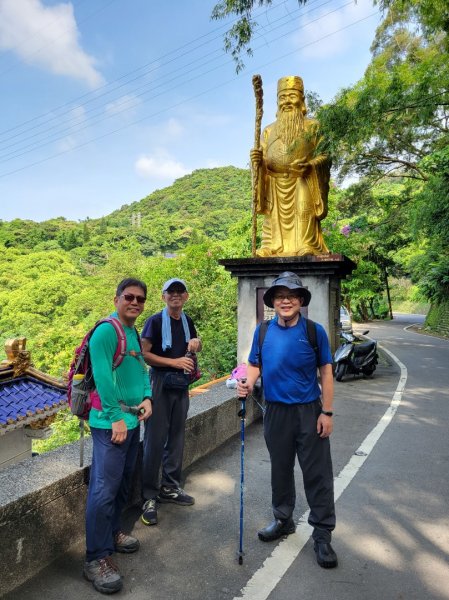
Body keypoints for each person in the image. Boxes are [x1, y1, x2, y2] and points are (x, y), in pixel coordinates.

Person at [237, 271, 338, 569]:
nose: (286, 300)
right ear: (273, 302)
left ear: (300, 301)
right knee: (280, 470)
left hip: (309, 411)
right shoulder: (264, 331)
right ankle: (283, 519)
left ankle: (322, 535)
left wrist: (327, 412)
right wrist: (246, 382)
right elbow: (254, 364)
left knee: (317, 475)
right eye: (280, 296)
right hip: (276, 411)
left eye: (292, 296)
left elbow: (327, 373)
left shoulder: (313, 331)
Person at [84, 278, 153, 594]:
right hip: (109, 423)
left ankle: (112, 533)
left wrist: (148, 397)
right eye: (130, 297)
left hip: (131, 420)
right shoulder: (106, 332)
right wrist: (116, 419)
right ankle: (96, 558)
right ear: (117, 299)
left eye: (140, 299)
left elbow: (141, 370)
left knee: (123, 483)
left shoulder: (132, 333)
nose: (135, 303)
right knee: (103, 490)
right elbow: (101, 375)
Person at [140, 278, 201, 526]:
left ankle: (170, 487)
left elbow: (194, 345)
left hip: (181, 385)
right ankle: (149, 496)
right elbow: (144, 354)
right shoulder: (154, 321)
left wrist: (197, 344)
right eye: (170, 292)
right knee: (154, 440)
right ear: (163, 297)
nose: (175, 295)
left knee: (176, 437)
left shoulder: (187, 321)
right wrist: (174, 362)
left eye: (180, 292)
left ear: (186, 297)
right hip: (160, 383)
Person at [251, 75, 330, 257]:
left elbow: (325, 154)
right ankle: (271, 246)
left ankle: (306, 244)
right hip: (274, 182)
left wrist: (310, 166)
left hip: (302, 179)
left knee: (303, 211)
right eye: (282, 97)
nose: (287, 101)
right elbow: (262, 159)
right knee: (272, 216)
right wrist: (258, 161)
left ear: (302, 100)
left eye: (292, 96)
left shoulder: (313, 126)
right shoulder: (269, 130)